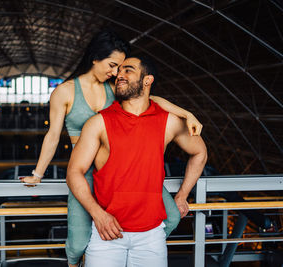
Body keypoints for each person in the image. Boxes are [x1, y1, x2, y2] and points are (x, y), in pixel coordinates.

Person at [20, 29, 203, 266]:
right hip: (85, 169)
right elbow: (53, 136)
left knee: (171, 217)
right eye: (113, 65)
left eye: (120, 68)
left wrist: (187, 114)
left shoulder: (114, 88)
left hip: (117, 168)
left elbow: (151, 99)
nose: (115, 72)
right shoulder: (65, 91)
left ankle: (138, 246)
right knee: (77, 243)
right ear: (95, 58)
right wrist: (37, 174)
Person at [66, 55, 207, 266]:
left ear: (147, 80)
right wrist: (99, 215)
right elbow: (74, 172)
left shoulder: (168, 121)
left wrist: (182, 195)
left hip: (151, 237)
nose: (119, 75)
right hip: (107, 235)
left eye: (128, 70)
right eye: (118, 71)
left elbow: (200, 153)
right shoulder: (98, 122)